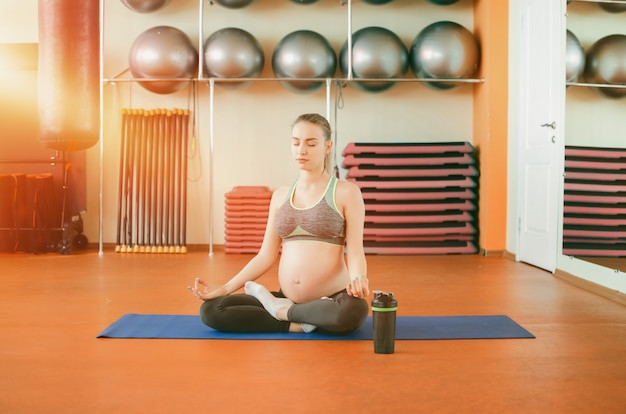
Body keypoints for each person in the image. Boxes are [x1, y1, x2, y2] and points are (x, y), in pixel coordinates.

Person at [187, 113, 370, 334]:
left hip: (331, 298)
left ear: (327, 146)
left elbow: (356, 252)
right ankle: (300, 320)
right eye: (296, 142)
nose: (301, 150)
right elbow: (266, 255)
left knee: (353, 311)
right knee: (212, 310)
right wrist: (226, 288)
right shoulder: (280, 196)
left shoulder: (346, 192)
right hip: (287, 297)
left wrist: (358, 279)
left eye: (311, 144)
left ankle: (282, 314)